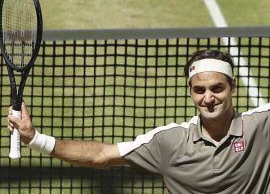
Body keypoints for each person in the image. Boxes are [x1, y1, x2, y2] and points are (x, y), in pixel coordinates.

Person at [8, 49, 270, 193]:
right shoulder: (169, 141)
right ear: (191, 92)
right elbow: (102, 155)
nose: (209, 98)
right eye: (200, 90)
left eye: (217, 88)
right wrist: (35, 139)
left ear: (232, 88)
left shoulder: (261, 126)